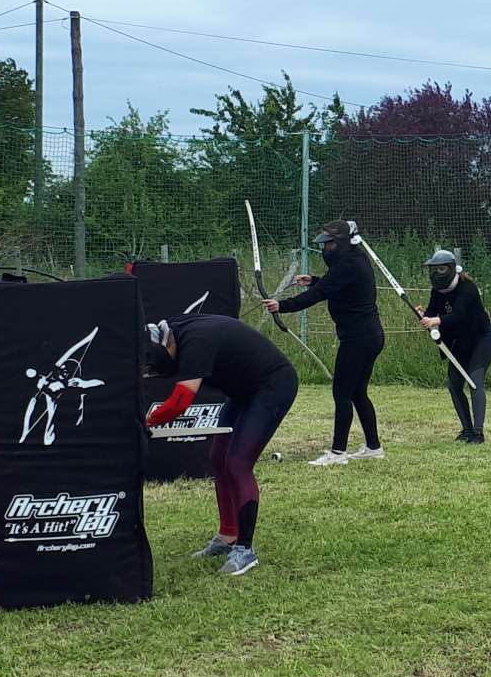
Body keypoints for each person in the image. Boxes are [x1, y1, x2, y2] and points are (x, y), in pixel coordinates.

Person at [143, 314, 298, 577]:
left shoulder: (194, 343)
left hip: (273, 386)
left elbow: (180, 401)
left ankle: (245, 550)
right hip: (244, 391)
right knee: (218, 458)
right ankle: (228, 537)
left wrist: (146, 422)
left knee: (237, 464)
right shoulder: (175, 334)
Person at [267, 219, 386, 467]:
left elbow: (320, 294)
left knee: (342, 392)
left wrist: (282, 306)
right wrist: (314, 280)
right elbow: (337, 285)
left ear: (342, 243)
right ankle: (373, 447)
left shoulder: (349, 264)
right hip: (370, 335)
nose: (325, 249)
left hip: (358, 339)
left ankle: (338, 452)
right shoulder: (355, 259)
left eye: (330, 244)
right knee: (357, 392)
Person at [418, 250, 491, 444]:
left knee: (475, 381)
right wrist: (424, 316)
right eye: (434, 269)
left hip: (481, 339)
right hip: (460, 343)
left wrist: (437, 320)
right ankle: (467, 431)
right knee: (454, 384)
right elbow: (432, 312)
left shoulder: (467, 288)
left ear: (452, 268)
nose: (437, 273)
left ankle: (478, 433)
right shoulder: (437, 291)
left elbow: (459, 315)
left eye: (441, 269)